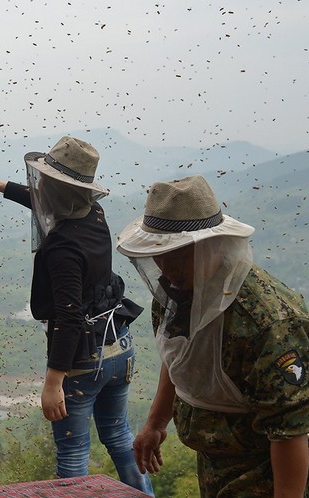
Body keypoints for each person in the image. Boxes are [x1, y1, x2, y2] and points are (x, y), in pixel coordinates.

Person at [0, 136, 153, 494]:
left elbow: (68, 317)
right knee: (118, 436)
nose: (40, 187)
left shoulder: (63, 247)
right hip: (119, 345)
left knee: (73, 455)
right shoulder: (92, 213)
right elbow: (45, 204)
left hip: (83, 360)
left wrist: (53, 382)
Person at [116, 175, 309, 497]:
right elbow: (179, 357)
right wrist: (155, 423)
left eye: (178, 255)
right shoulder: (179, 291)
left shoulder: (271, 324)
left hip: (266, 472)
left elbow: (289, 432)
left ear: (213, 245)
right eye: (159, 254)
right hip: (215, 462)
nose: (165, 267)